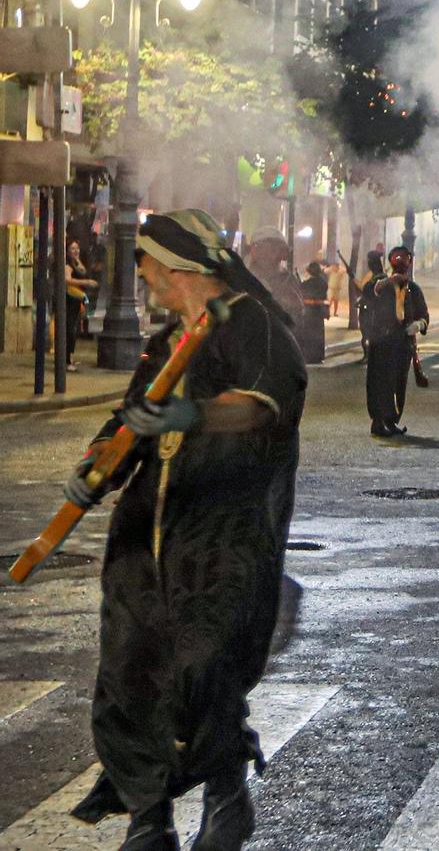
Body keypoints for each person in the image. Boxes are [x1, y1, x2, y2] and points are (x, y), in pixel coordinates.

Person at [61, 210, 307, 851]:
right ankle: (149, 816)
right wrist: (98, 465)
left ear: (177, 266)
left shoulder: (251, 323)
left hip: (219, 530)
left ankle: (226, 790)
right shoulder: (169, 338)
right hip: (148, 531)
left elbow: (263, 406)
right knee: (130, 669)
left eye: (144, 262)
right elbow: (130, 416)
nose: (139, 274)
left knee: (204, 664)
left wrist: (191, 412)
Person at [361, 246, 428, 438]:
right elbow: (367, 293)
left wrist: (418, 324)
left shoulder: (413, 289)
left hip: (402, 344)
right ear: (390, 261)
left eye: (404, 258)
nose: (400, 261)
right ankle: (378, 420)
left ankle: (391, 420)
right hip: (382, 341)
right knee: (379, 382)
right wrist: (386, 282)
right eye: (396, 257)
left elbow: (424, 315)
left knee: (398, 383)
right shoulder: (380, 285)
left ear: (410, 262)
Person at [65, 237, 97, 369]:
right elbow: (67, 280)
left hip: (78, 299)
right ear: (67, 251)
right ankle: (67, 360)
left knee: (75, 327)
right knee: (70, 328)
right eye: (72, 248)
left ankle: (70, 357)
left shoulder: (77, 262)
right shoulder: (68, 264)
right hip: (71, 298)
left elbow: (83, 271)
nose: (75, 251)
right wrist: (87, 282)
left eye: (77, 248)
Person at [297, 260, 330, 364]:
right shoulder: (323, 282)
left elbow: (301, 292)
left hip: (310, 311)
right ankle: (319, 356)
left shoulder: (308, 283)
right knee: (319, 333)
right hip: (319, 311)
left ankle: (309, 356)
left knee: (309, 334)